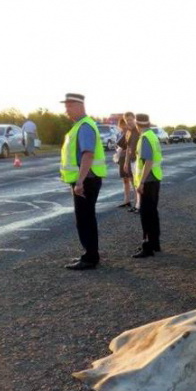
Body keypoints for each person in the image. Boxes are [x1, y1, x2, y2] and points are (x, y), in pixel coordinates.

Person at [59, 93, 107, 270]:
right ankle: (90, 253)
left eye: (69, 106)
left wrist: (79, 182)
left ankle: (90, 258)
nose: (66, 110)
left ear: (80, 106)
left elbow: (88, 154)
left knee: (85, 219)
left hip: (87, 180)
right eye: (66, 106)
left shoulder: (84, 126)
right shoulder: (80, 125)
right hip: (86, 179)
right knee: (86, 218)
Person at [132, 113, 162, 258]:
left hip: (148, 181)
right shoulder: (153, 135)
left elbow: (148, 161)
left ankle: (148, 247)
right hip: (155, 179)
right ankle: (155, 244)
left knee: (146, 215)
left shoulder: (144, 138)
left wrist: (141, 182)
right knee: (153, 213)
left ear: (137, 125)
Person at [124, 112, 141, 214]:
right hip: (131, 161)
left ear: (134, 119)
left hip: (139, 162)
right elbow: (128, 148)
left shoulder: (139, 130)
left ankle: (140, 206)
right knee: (135, 184)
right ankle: (137, 205)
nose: (129, 122)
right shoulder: (128, 132)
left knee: (139, 184)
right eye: (127, 120)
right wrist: (126, 162)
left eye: (130, 119)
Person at [115, 116, 133, 208]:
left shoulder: (130, 133)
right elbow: (117, 146)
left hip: (129, 158)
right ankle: (127, 201)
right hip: (121, 158)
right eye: (121, 124)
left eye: (124, 123)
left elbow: (132, 147)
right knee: (125, 180)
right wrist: (118, 153)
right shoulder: (119, 134)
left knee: (132, 179)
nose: (123, 126)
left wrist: (124, 151)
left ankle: (138, 202)